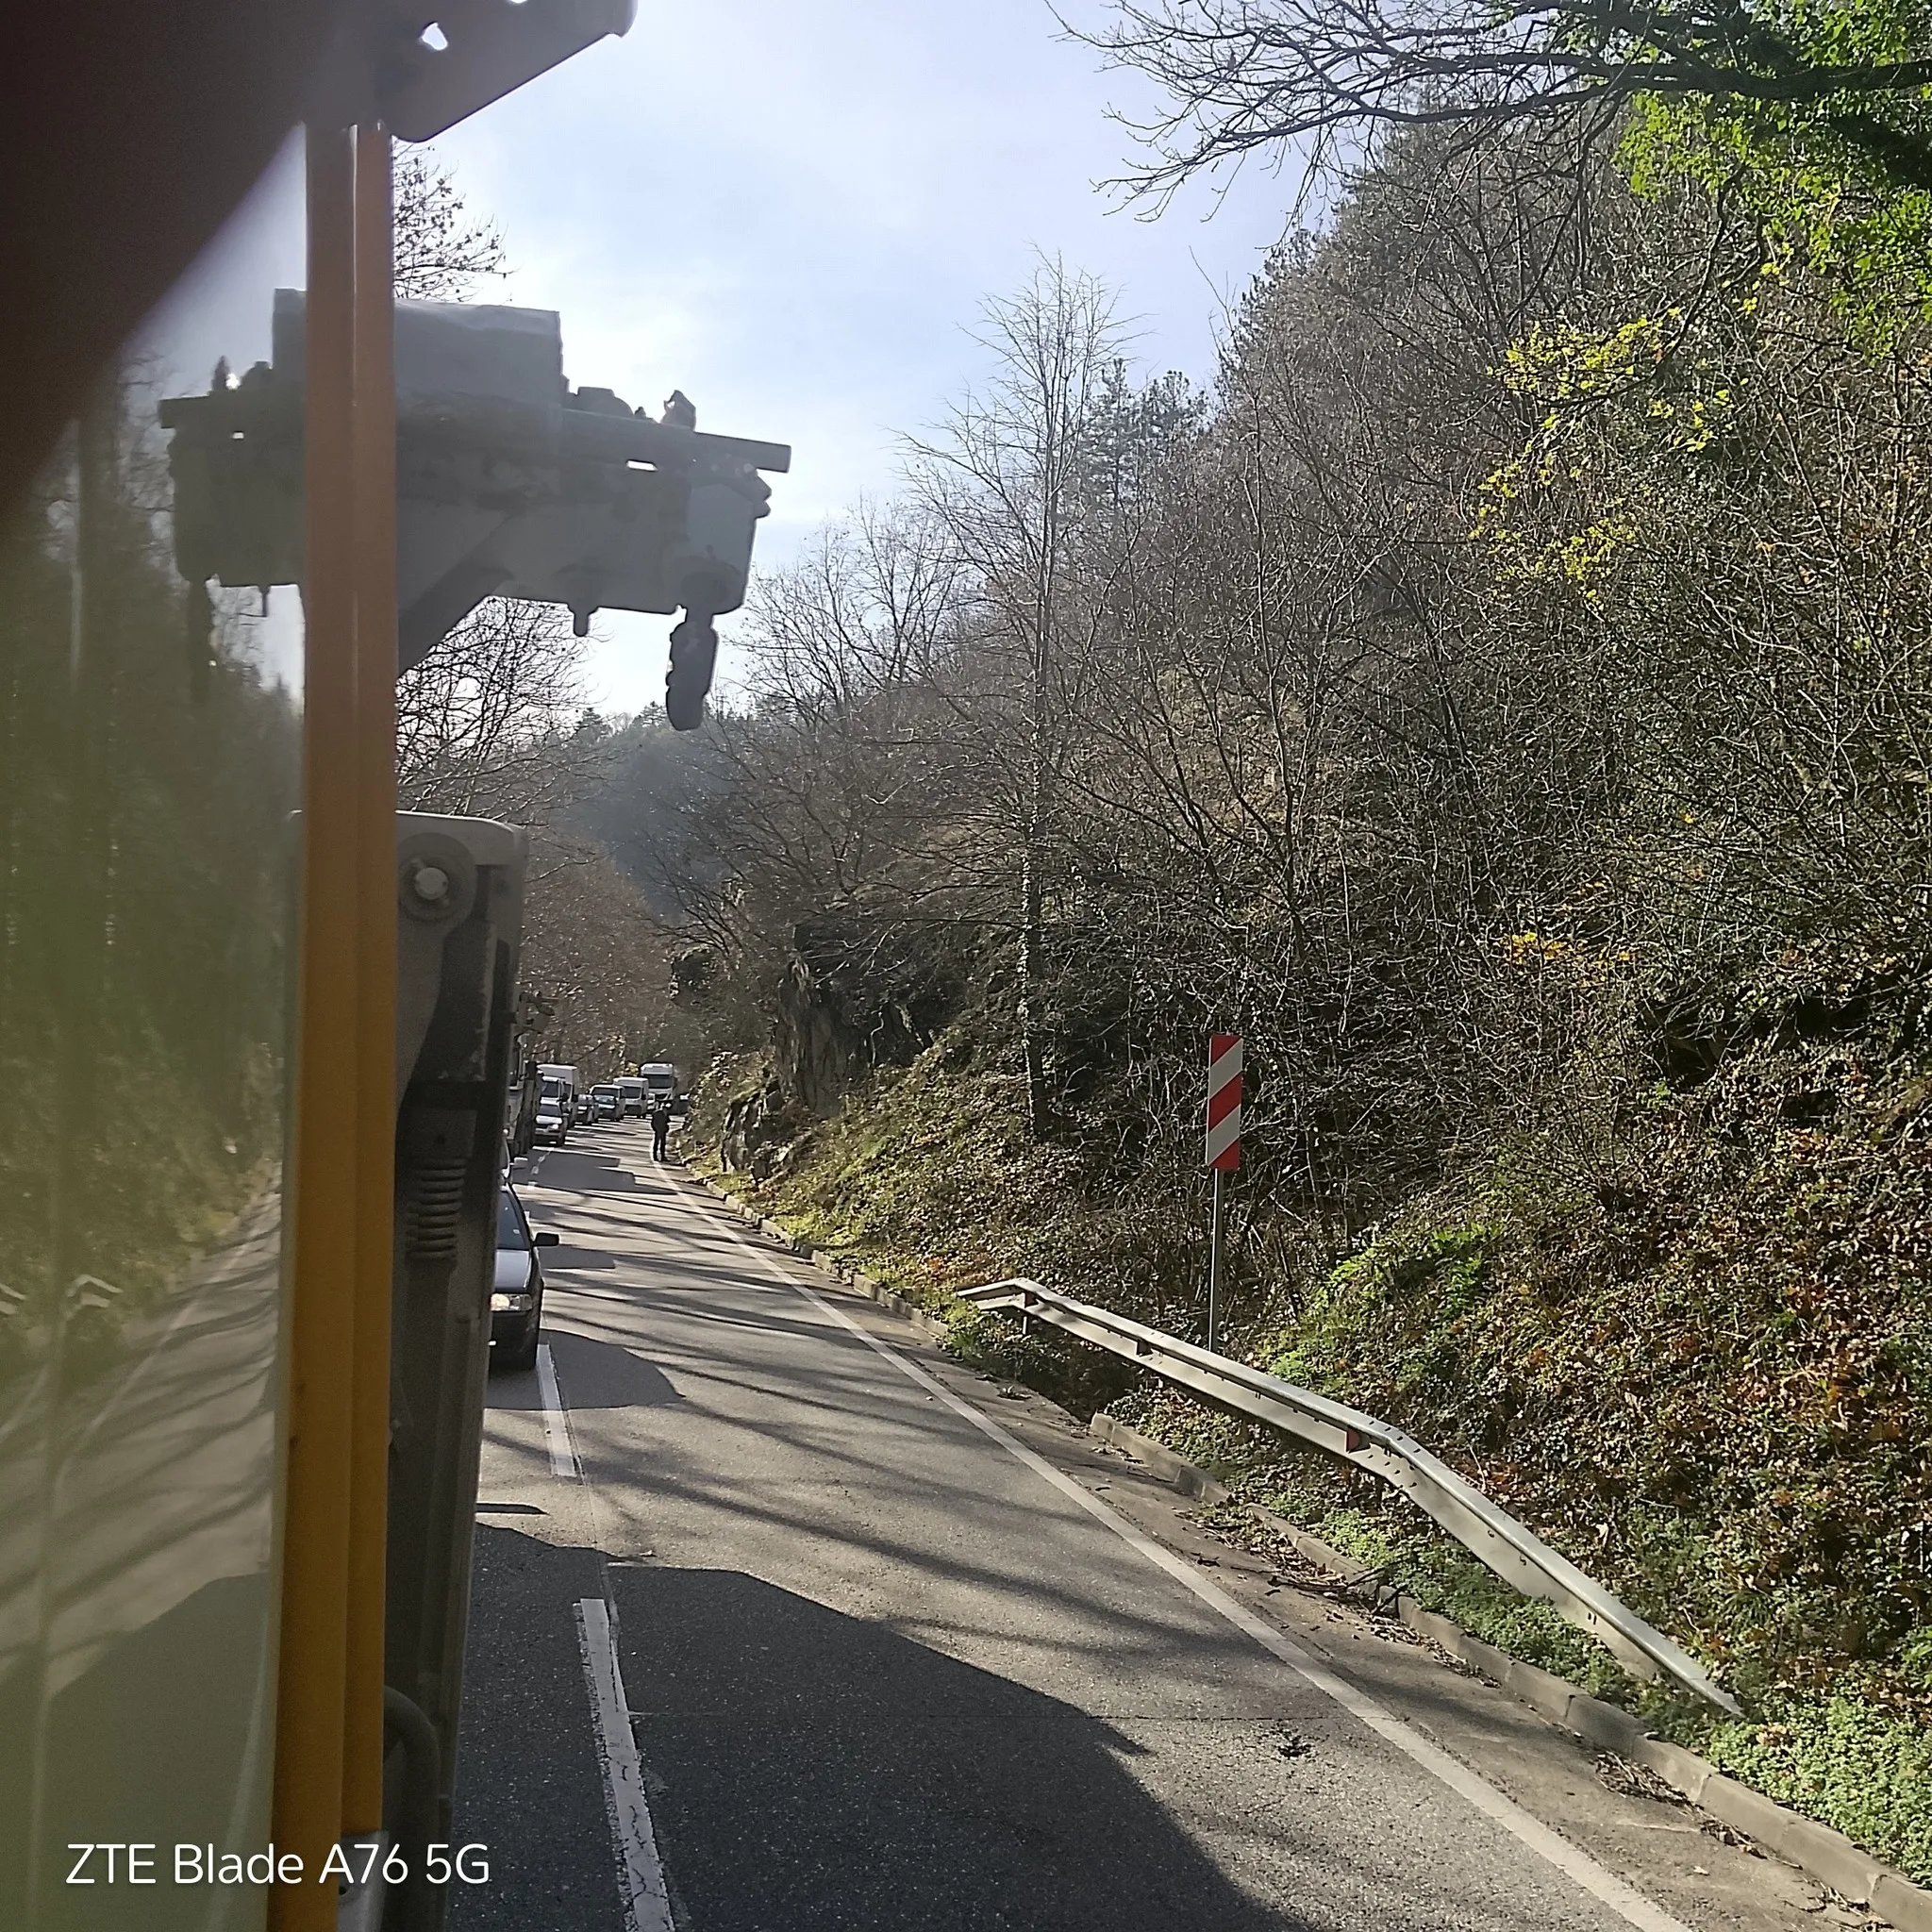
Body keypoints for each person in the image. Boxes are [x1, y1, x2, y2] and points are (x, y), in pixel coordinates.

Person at [649, 1097, 672, 1162]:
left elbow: (668, 1121)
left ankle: (663, 1156)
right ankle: (655, 1156)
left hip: (663, 1130)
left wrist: (666, 1127)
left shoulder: (666, 1114)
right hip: (658, 1130)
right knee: (656, 1143)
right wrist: (655, 1129)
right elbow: (653, 1122)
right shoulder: (657, 1114)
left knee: (663, 1143)